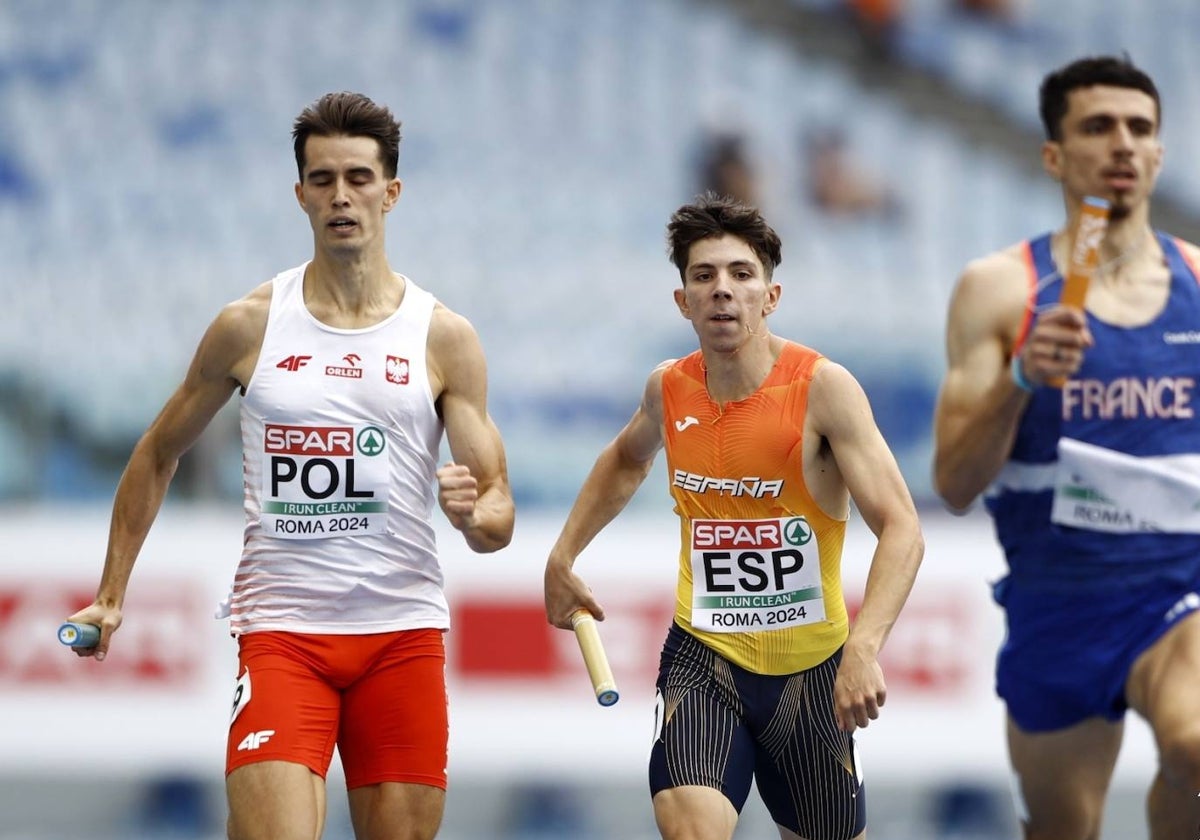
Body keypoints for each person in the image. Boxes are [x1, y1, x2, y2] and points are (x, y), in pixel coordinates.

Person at [64, 91, 515, 840]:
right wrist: (111, 595)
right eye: (323, 179)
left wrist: (474, 517)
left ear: (391, 192)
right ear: (300, 193)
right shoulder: (248, 326)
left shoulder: (442, 338)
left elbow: (497, 510)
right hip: (283, 635)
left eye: (360, 178)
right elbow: (157, 452)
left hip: (400, 634)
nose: (342, 196)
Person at [544, 193, 924, 840]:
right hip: (705, 658)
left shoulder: (823, 389)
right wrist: (563, 555)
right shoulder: (668, 387)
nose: (723, 290)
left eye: (741, 275)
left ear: (771, 296)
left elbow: (903, 529)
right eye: (704, 276)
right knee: (688, 827)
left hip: (814, 675)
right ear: (682, 300)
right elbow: (625, 461)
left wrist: (864, 646)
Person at [932, 55, 1200, 839]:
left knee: (1194, 744)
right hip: (1058, 601)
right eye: (1098, 127)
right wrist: (1021, 377)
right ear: (1054, 155)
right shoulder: (1002, 289)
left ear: (1158, 151)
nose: (1122, 144)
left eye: (1140, 128)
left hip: (1177, 587)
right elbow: (953, 483)